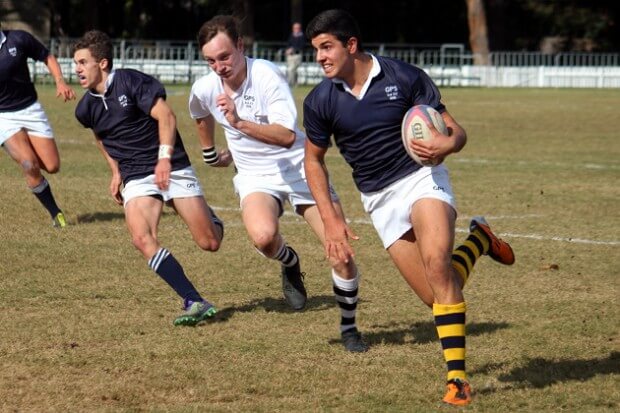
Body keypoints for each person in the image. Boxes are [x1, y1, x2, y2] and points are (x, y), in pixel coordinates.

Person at [302, 9, 515, 406]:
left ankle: (457, 379)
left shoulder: (404, 77)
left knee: (437, 265)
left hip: (421, 178)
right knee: (434, 296)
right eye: (316, 50)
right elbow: (312, 160)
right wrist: (331, 221)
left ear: (351, 45)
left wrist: (447, 144)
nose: (320, 58)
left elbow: (456, 130)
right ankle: (480, 241)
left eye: (326, 47)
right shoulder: (319, 100)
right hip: (378, 199)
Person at [188, 15, 367, 352]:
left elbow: (286, 136)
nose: (219, 67)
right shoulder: (205, 87)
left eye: (225, 57)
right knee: (264, 238)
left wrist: (238, 122)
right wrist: (211, 153)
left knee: (339, 250)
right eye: (211, 60)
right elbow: (199, 112)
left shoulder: (267, 75)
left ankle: (349, 329)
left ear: (241, 46)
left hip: (299, 167)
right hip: (255, 175)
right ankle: (290, 262)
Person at [73, 30, 224, 326]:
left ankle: (210, 218)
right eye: (75, 63)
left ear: (102, 63)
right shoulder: (85, 108)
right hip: (135, 175)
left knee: (210, 242)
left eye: (82, 62)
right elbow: (101, 137)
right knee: (142, 239)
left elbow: (167, 117)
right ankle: (193, 299)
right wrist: (115, 171)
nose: (76, 69)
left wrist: (164, 159)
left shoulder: (132, 81)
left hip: (171, 164)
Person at [0, 23, 75, 227]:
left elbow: (47, 56)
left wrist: (60, 81)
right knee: (28, 164)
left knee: (52, 166)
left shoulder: (18, 39)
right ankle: (56, 214)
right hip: (3, 117)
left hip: (31, 109)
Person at [284, 22, 306, 87]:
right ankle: (295, 83)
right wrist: (287, 50)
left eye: (297, 28)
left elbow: (301, 46)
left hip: (297, 55)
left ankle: (290, 83)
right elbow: (288, 44)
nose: (295, 29)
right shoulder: (291, 35)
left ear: (299, 28)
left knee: (291, 69)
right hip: (290, 56)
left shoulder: (301, 36)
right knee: (293, 70)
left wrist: (293, 49)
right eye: (294, 28)